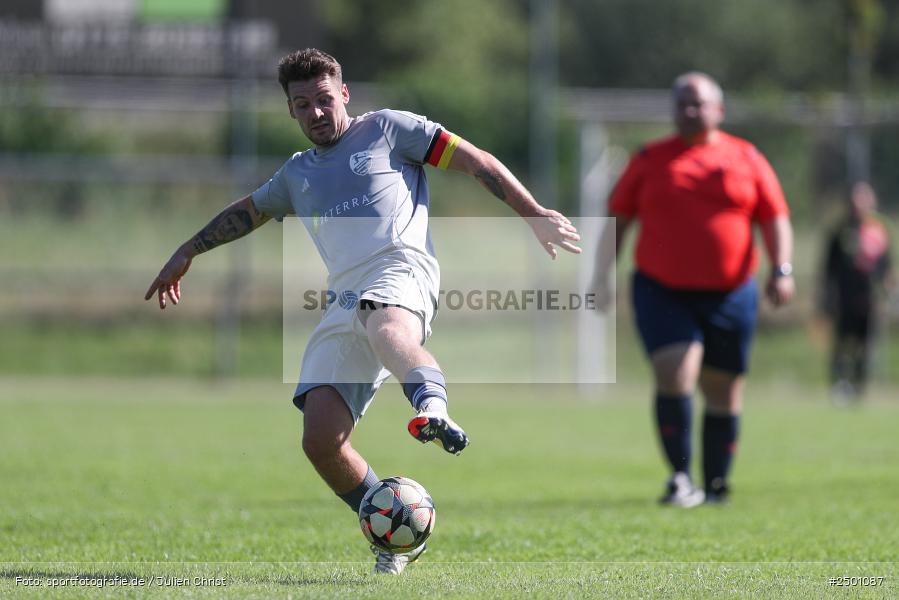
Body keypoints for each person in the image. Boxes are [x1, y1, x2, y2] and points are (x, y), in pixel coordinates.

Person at [144, 48, 581, 574]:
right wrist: (188, 249)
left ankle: (433, 406)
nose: (316, 113)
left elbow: (477, 161)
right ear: (290, 111)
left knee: (386, 322)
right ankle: (392, 527)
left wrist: (532, 214)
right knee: (321, 441)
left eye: (324, 100)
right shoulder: (296, 174)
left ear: (344, 94)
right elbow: (249, 211)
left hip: (401, 270)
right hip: (342, 298)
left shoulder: (390, 131)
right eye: (302, 104)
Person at [590, 72, 794, 506]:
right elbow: (617, 220)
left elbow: (774, 215)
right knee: (675, 372)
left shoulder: (747, 157)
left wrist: (783, 269)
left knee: (722, 389)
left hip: (731, 291)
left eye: (698, 103)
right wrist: (600, 277)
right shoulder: (649, 160)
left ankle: (717, 485)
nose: (689, 110)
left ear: (718, 110)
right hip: (663, 290)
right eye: (682, 103)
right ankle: (681, 478)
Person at [821, 181, 894, 403]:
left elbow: (887, 267)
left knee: (865, 346)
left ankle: (859, 389)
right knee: (842, 345)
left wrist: (889, 293)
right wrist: (826, 297)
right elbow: (828, 268)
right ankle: (840, 386)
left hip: (870, 300)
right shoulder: (840, 231)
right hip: (844, 299)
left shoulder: (879, 230)